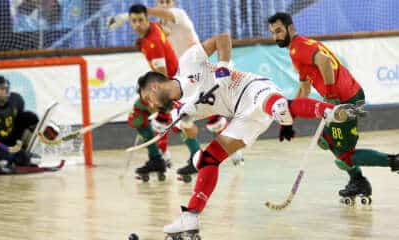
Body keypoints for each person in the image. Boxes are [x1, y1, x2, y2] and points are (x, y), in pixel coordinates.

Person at [137, 40, 362, 236]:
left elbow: (222, 39)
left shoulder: (188, 62)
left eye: (149, 98)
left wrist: (223, 67)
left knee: (280, 109)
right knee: (208, 160)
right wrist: (185, 121)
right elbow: (192, 134)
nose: (152, 105)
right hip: (241, 117)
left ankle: (330, 111)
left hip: (250, 87)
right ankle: (191, 217)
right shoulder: (177, 111)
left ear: (155, 87)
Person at [267, 12, 399, 200]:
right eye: (272, 32)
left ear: (290, 28)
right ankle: (357, 180)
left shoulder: (299, 48)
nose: (275, 36)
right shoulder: (300, 47)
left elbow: (324, 61)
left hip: (345, 101)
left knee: (344, 157)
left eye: (278, 31)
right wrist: (288, 118)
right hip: (345, 98)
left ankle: (392, 162)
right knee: (324, 139)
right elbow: (304, 89)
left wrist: (330, 95)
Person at [108, 0, 244, 180]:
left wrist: (126, 16)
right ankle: (164, 158)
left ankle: (186, 157)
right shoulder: (158, 26)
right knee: (173, 119)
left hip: (195, 74)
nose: (164, 5)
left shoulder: (178, 15)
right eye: (161, 1)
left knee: (198, 119)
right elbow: (162, 29)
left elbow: (161, 72)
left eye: (167, 1)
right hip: (182, 75)